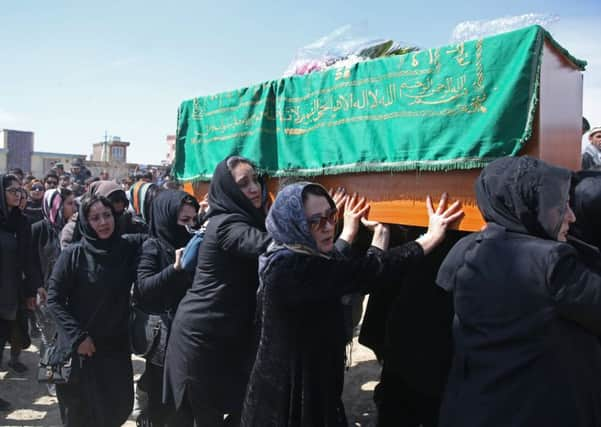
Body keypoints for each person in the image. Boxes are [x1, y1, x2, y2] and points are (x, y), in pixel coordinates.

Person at [240, 183, 461, 427]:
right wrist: (429, 238)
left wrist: (371, 232)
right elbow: (362, 273)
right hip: (287, 396)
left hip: (306, 383)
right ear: (293, 224)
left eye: (332, 216)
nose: (328, 227)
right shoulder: (289, 270)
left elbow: (338, 266)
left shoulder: (292, 254)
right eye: (315, 221)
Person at [436, 156, 601, 427]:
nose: (570, 216)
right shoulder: (553, 261)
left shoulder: (464, 250)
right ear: (526, 204)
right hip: (541, 409)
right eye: (559, 206)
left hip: (475, 406)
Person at [164, 156, 271, 426]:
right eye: (243, 183)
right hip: (201, 341)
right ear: (229, 189)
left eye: (255, 179)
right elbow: (267, 247)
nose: (254, 188)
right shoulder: (227, 224)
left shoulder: (238, 218)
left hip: (219, 338)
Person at [47, 195, 143, 427]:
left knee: (118, 408)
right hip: (82, 352)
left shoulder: (126, 248)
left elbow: (159, 237)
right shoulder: (74, 254)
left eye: (107, 215)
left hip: (115, 349)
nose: (103, 222)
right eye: (95, 218)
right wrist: (78, 337)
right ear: (85, 223)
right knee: (82, 414)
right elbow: (54, 299)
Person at [134, 190, 199, 426]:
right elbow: (143, 287)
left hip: (187, 335)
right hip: (163, 340)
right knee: (162, 401)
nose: (191, 226)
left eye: (194, 220)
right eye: (184, 221)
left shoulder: (194, 243)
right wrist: (175, 269)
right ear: (167, 218)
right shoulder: (153, 246)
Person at [0, 174, 36, 411]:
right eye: (12, 190)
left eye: (20, 191)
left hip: (10, 295)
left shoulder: (21, 221)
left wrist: (32, 290)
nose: (18, 194)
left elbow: (30, 259)